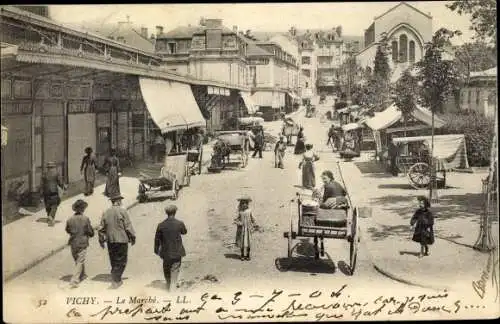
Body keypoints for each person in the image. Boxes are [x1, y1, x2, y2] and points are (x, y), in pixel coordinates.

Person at [98, 194, 136, 289]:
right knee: (122, 260)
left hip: (110, 240)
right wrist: (133, 237)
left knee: (113, 259)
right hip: (122, 239)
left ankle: (115, 276)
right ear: (118, 201)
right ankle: (116, 280)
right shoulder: (122, 211)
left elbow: (101, 228)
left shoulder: (106, 212)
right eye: (120, 200)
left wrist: (101, 240)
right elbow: (128, 226)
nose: (121, 202)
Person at [154, 205, 187, 291]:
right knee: (175, 269)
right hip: (177, 251)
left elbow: (157, 239)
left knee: (166, 268)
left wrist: (156, 250)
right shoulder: (179, 223)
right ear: (175, 212)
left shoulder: (161, 225)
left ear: (166, 213)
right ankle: (172, 287)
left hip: (166, 252)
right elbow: (184, 232)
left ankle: (169, 285)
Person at [65, 199, 94, 288]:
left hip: (73, 242)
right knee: (80, 261)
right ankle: (74, 281)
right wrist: (91, 233)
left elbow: (67, 230)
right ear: (83, 209)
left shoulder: (70, 219)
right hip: (82, 242)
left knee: (78, 260)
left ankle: (82, 275)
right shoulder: (85, 219)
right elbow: (90, 231)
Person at [40, 162, 66, 226]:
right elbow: (60, 182)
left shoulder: (44, 174)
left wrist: (41, 193)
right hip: (53, 191)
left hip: (46, 192)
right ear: (53, 167)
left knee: (48, 205)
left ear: (48, 168)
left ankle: (49, 217)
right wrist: (64, 187)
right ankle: (51, 217)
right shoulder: (56, 173)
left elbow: (41, 184)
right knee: (54, 205)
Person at [234, 195, 257, 261]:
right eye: (243, 203)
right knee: (242, 242)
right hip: (241, 230)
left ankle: (248, 255)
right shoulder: (240, 211)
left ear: (247, 204)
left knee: (248, 242)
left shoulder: (249, 211)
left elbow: (253, 219)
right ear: (241, 204)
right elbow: (236, 219)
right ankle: (242, 255)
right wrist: (238, 223)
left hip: (248, 229)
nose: (244, 204)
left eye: (245, 203)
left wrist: (255, 224)